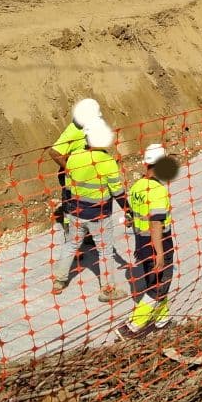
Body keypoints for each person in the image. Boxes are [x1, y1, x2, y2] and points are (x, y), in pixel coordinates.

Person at [52, 120, 129, 302]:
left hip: (76, 212)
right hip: (99, 216)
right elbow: (117, 192)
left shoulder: (73, 158)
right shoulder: (107, 161)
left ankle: (59, 282)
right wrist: (128, 210)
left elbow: (69, 188)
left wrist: (71, 212)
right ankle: (107, 290)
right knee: (105, 251)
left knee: (71, 244)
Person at [117, 144, 176, 340]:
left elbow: (131, 216)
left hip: (141, 245)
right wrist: (160, 252)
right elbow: (156, 223)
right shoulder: (157, 191)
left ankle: (162, 320)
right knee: (160, 286)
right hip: (159, 244)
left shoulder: (136, 187)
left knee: (155, 281)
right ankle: (132, 327)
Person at [47, 98, 104, 242]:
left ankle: (87, 234)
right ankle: (72, 240)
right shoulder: (73, 132)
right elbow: (54, 152)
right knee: (71, 209)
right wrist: (70, 169)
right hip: (70, 177)